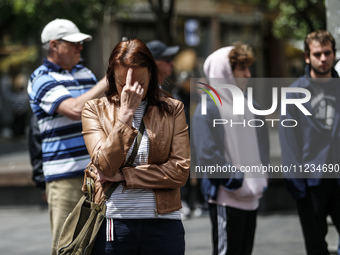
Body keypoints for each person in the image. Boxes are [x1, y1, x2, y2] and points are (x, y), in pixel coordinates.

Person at [81, 39, 190, 255]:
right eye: (123, 83)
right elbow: (105, 166)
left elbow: (180, 171)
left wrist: (125, 177)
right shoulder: (94, 109)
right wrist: (126, 115)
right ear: (111, 76)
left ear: (151, 74)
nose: (131, 90)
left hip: (163, 223)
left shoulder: (173, 109)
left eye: (138, 83)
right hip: (116, 224)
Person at [27, 18, 107, 255]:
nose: (80, 48)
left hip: (96, 174)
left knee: (96, 245)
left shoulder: (85, 73)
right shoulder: (40, 77)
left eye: (81, 44)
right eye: (74, 43)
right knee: (67, 247)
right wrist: (106, 81)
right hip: (64, 177)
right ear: (54, 45)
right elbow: (73, 110)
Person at [192, 42, 269, 255]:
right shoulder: (208, 109)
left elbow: (262, 146)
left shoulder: (250, 106)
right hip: (227, 197)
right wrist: (236, 180)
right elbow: (207, 156)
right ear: (225, 72)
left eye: (248, 67)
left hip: (252, 196)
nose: (248, 74)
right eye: (241, 69)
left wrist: (262, 177)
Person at [279, 30, 340, 255]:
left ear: (334, 54)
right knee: (316, 245)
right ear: (307, 57)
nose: (323, 58)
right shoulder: (294, 93)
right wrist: (296, 182)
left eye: (327, 53)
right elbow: (288, 141)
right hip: (312, 181)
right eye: (317, 54)